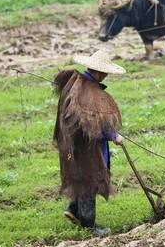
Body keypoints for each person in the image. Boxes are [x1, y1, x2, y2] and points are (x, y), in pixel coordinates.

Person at [53, 49, 125, 235]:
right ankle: (89, 226)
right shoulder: (90, 92)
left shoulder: (76, 84)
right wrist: (114, 136)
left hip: (73, 145)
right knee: (90, 180)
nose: (106, 76)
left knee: (80, 176)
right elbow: (97, 121)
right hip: (88, 147)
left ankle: (73, 209)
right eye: (106, 73)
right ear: (100, 72)